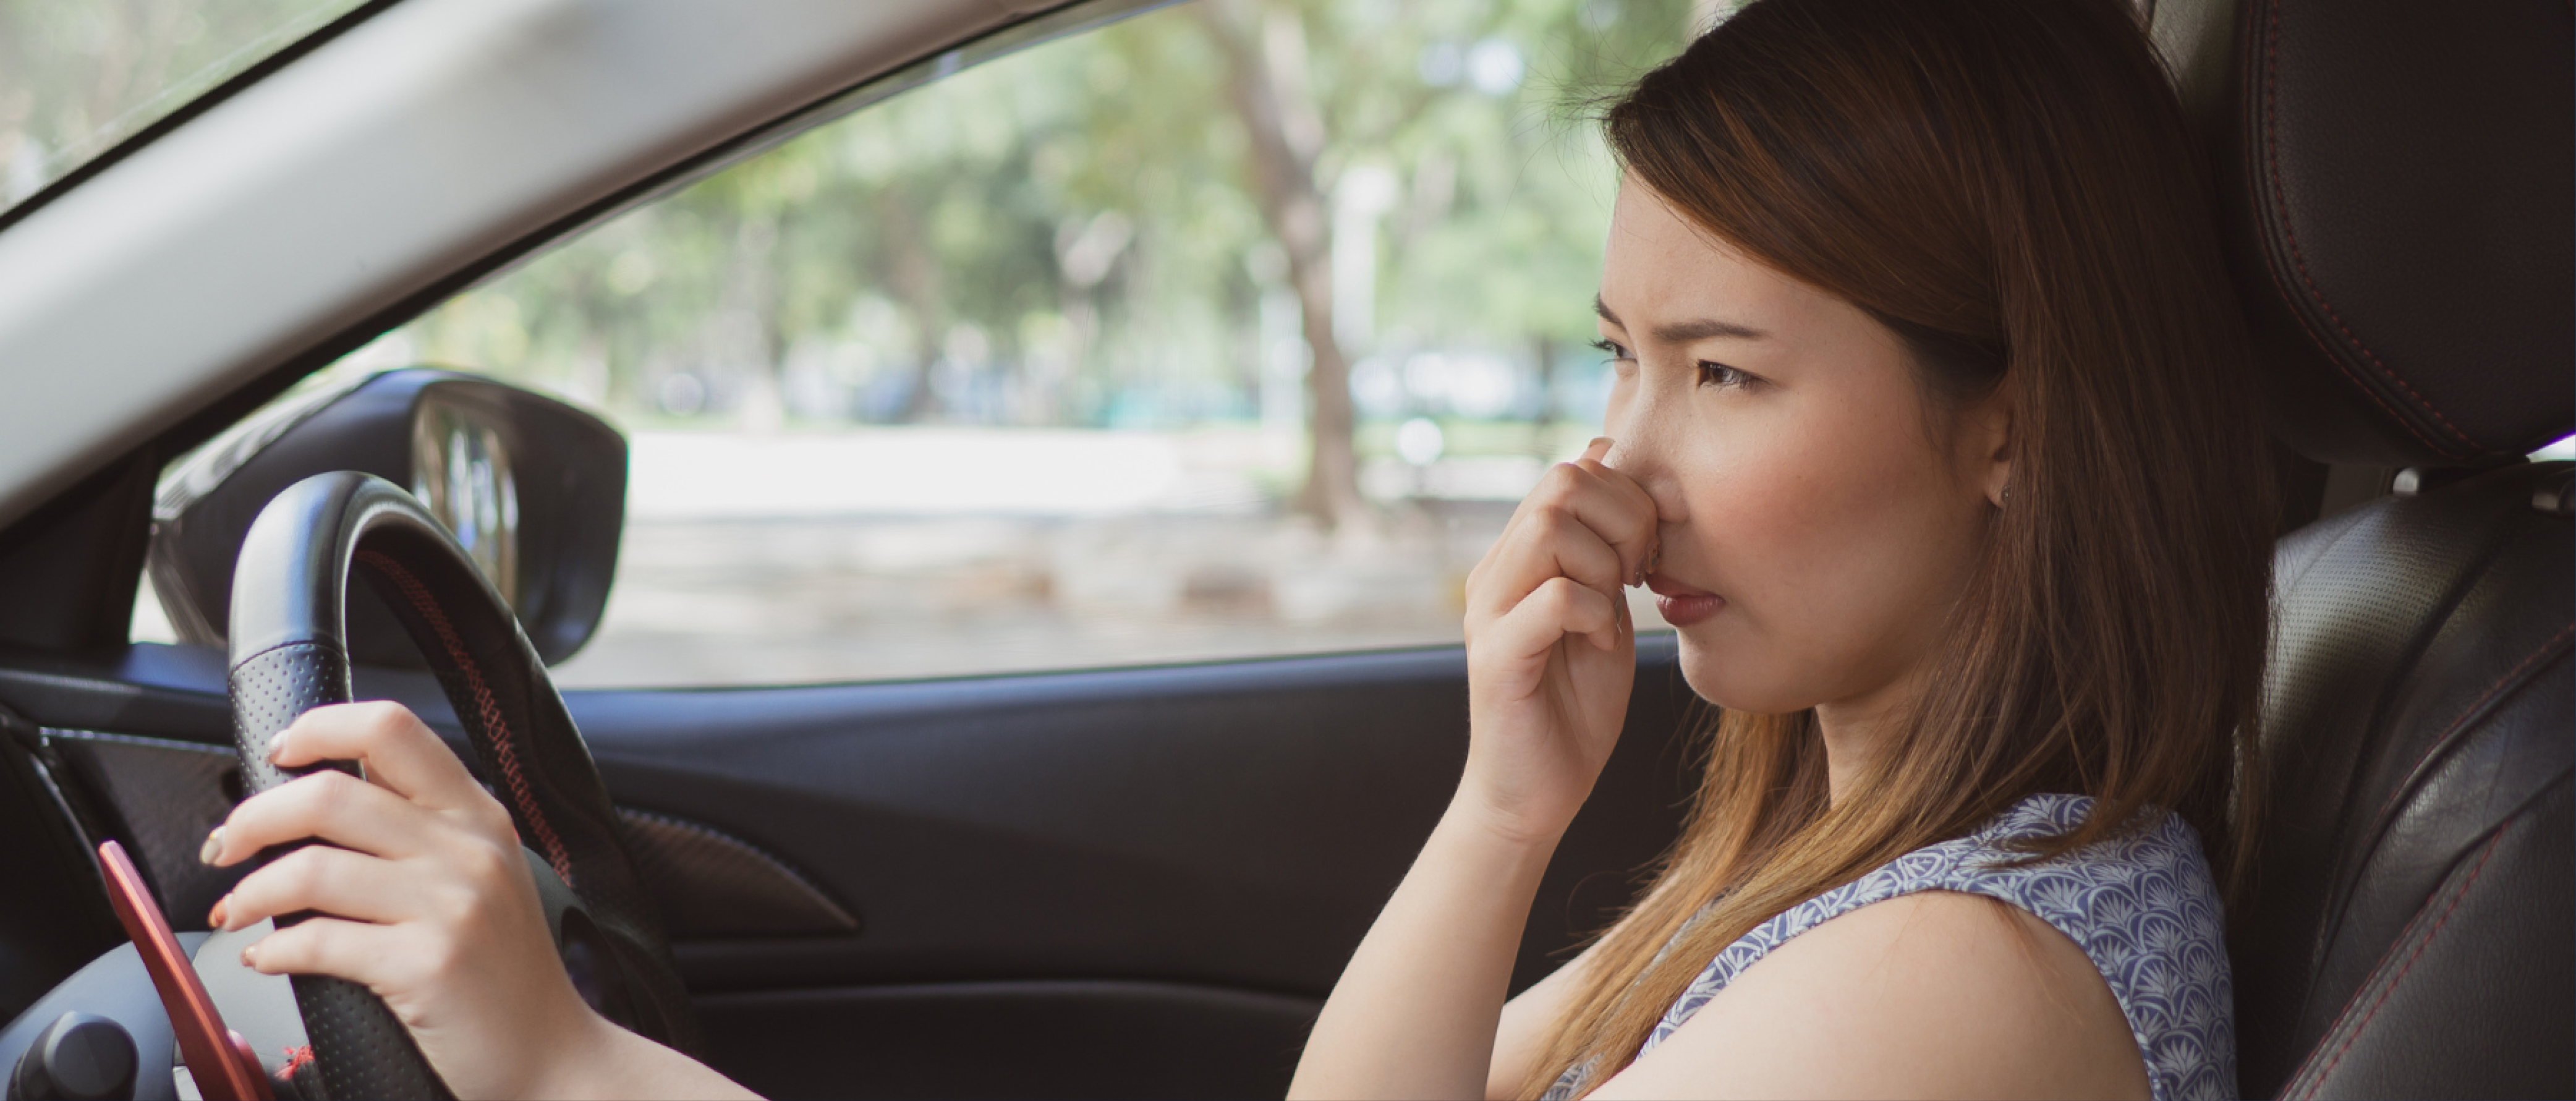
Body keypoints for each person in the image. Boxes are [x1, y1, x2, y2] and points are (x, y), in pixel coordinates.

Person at [197, 0, 2275, 1096]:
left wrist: (571, 1067)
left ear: (2006, 418)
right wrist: (1498, 806)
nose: (1612, 468)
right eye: (1614, 357)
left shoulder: (1961, 974)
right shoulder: (1836, 872)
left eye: (1722, 376)